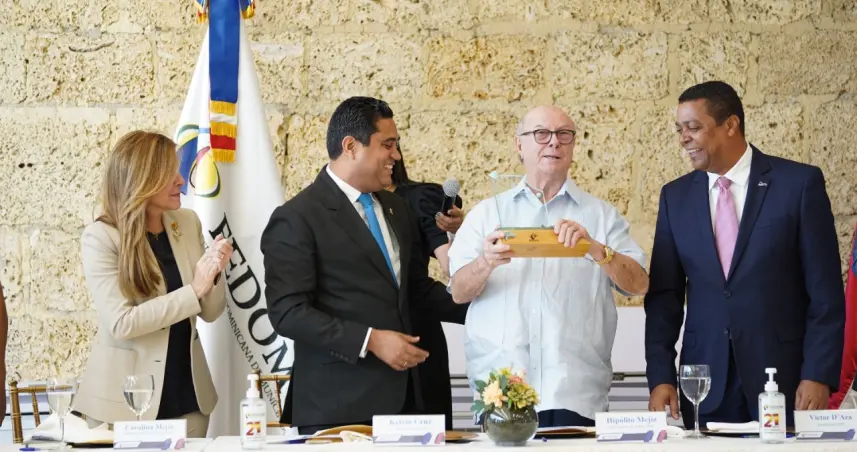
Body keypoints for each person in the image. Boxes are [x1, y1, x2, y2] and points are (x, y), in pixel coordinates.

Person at [261, 96, 468, 435]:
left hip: (412, 403)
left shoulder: (396, 208)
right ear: (351, 147)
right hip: (339, 408)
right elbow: (288, 312)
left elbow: (413, 289)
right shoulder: (297, 217)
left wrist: (485, 306)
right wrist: (370, 340)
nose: (396, 156)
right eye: (387, 145)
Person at [645, 81, 845, 429]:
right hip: (703, 386)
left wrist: (817, 373)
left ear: (731, 125)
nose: (684, 139)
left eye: (693, 127)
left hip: (784, 382)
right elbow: (664, 300)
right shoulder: (674, 197)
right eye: (679, 130)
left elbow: (825, 295)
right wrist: (661, 376)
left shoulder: (798, 185)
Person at [447, 105, 649, 427]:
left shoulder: (601, 216)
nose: (554, 142)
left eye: (564, 134)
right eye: (541, 133)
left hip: (575, 393)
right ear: (519, 144)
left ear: (573, 145)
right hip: (500, 392)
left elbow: (639, 284)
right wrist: (485, 262)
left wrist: (595, 248)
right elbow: (458, 292)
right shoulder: (486, 215)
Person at [74, 131, 233, 437]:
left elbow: (211, 312)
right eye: (170, 173)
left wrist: (214, 271)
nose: (181, 180)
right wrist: (194, 290)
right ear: (142, 179)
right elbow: (122, 323)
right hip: (124, 403)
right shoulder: (101, 238)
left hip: (188, 397)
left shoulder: (187, 222)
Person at [386, 145, 464, 430]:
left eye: (392, 144)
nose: (391, 154)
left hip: (417, 333)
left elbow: (450, 265)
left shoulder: (416, 198)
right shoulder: (338, 205)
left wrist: (455, 232)